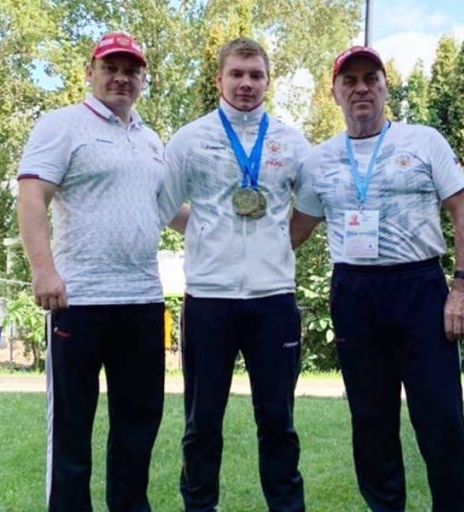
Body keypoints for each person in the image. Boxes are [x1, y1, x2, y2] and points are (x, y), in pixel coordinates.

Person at [290, 46, 464, 512]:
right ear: (334, 93)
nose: (361, 89)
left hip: (420, 290)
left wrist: (462, 287)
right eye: (350, 81)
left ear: (384, 87)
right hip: (355, 294)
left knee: (440, 417)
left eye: (370, 79)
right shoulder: (319, 160)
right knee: (371, 419)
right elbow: (294, 232)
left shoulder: (424, 142)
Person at [17, 32, 168, 512]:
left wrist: (231, 227)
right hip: (78, 301)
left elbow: (168, 209)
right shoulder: (62, 125)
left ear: (143, 78)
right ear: (90, 72)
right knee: (72, 427)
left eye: (131, 70)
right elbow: (32, 196)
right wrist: (43, 270)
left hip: (143, 302)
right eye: (110, 68)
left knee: (138, 427)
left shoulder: (150, 140)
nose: (121, 78)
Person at [159, 37, 310, 512]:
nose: (246, 83)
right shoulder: (190, 140)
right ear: (219, 79)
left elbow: (309, 208)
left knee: (278, 421)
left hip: (273, 300)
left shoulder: (291, 142)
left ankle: (287, 507)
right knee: (202, 422)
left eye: (256, 75)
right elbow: (164, 205)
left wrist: (277, 244)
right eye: (237, 74)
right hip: (209, 299)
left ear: (268, 81)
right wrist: (204, 231)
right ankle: (199, 506)